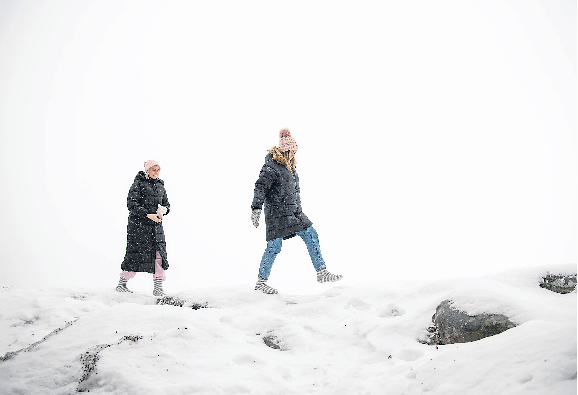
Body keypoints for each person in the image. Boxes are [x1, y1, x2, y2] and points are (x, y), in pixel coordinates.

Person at [251, 129, 342, 294]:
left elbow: (294, 193)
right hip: (277, 214)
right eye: (291, 151)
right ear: (285, 151)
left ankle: (321, 271)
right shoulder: (271, 167)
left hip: (294, 213)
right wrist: (256, 208)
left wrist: (298, 211)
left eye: (295, 151)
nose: (293, 154)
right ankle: (261, 283)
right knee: (274, 246)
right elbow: (260, 187)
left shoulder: (290, 166)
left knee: (311, 233)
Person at [116, 160, 170, 296]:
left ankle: (158, 288)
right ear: (147, 170)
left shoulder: (160, 186)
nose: (156, 172)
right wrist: (147, 214)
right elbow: (131, 204)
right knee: (135, 256)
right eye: (154, 170)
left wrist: (164, 211)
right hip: (138, 228)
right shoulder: (138, 183)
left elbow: (166, 203)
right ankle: (121, 284)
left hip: (156, 228)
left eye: (158, 170)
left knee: (159, 256)